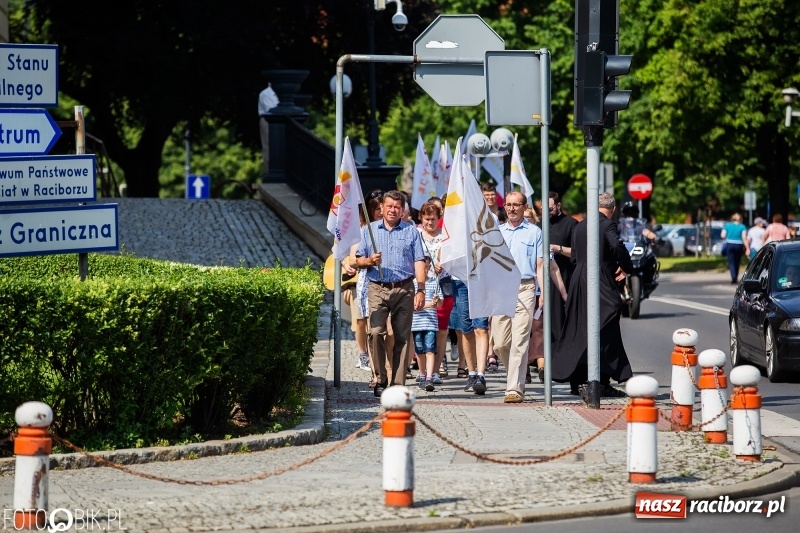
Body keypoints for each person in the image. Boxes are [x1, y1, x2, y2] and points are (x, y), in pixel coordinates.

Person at [552, 192, 634, 399]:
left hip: (579, 279)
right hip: (599, 277)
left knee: (580, 326)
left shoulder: (580, 226)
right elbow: (616, 245)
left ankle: (578, 379)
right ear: (612, 209)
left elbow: (575, 257)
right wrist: (626, 267)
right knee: (605, 324)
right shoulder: (607, 225)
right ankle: (599, 381)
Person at [355, 191, 428, 397]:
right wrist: (370, 261)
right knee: (376, 332)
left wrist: (421, 289)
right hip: (377, 287)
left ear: (402, 210)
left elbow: (419, 261)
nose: (393, 210)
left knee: (401, 336)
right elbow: (358, 260)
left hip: (404, 288)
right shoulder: (369, 231)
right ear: (383, 208)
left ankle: (397, 383)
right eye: (389, 206)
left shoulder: (411, 231)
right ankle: (380, 377)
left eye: (397, 207)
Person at [492, 192, 544, 403]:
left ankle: (514, 388)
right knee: (500, 344)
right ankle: (518, 370)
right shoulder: (497, 232)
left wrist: (543, 293)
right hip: (501, 289)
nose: (512, 209)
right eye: (509, 205)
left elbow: (540, 265)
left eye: (516, 205)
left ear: (524, 207)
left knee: (520, 340)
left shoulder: (534, 232)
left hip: (525, 287)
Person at [538, 191, 578, 383]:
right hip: (543, 281)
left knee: (562, 323)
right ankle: (547, 365)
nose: (547, 211)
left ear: (559, 206)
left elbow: (579, 252)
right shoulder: (540, 225)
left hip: (566, 279)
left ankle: (565, 366)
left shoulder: (571, 224)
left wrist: (558, 249)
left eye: (551, 208)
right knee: (545, 325)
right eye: (544, 209)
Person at [417, 200, 453, 383]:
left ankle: (436, 370)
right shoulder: (416, 234)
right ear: (421, 219)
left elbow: (454, 257)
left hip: (442, 286)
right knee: (419, 328)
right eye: (426, 219)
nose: (430, 223)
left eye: (433, 219)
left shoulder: (445, 236)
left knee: (440, 330)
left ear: (439, 219)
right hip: (420, 286)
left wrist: (444, 264)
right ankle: (422, 369)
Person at [411, 263, 443, 392]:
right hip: (416, 323)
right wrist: (430, 304)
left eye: (425, 266)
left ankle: (429, 377)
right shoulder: (412, 284)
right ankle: (422, 374)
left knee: (430, 350)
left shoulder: (434, 283)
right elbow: (413, 305)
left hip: (430, 323)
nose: (423, 269)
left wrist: (437, 301)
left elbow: (440, 304)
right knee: (419, 351)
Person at [258, 83, 279, 179]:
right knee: (269, 147)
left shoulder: (280, 93)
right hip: (268, 120)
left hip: (277, 120)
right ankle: (269, 173)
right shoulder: (266, 93)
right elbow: (272, 110)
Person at [721, 213, 749, 284]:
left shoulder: (727, 225)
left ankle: (733, 277)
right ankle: (736, 277)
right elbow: (744, 237)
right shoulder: (742, 227)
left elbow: (722, 235)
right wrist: (747, 248)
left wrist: (729, 235)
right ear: (740, 219)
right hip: (739, 245)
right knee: (737, 261)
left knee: (731, 262)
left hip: (729, 244)